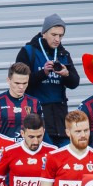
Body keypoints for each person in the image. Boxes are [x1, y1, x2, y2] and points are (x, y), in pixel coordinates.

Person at [15, 14, 80, 147]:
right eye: (54, 35)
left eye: (61, 36)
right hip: (37, 116)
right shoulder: (28, 51)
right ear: (44, 33)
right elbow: (20, 82)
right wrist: (43, 73)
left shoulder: (63, 54)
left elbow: (75, 83)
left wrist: (66, 74)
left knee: (63, 153)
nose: (57, 39)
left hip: (60, 117)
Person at [0, 62, 42, 142]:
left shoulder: (34, 102)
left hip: (26, 148)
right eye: (17, 83)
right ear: (8, 80)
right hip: (4, 148)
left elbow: (41, 130)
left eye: (25, 83)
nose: (21, 87)